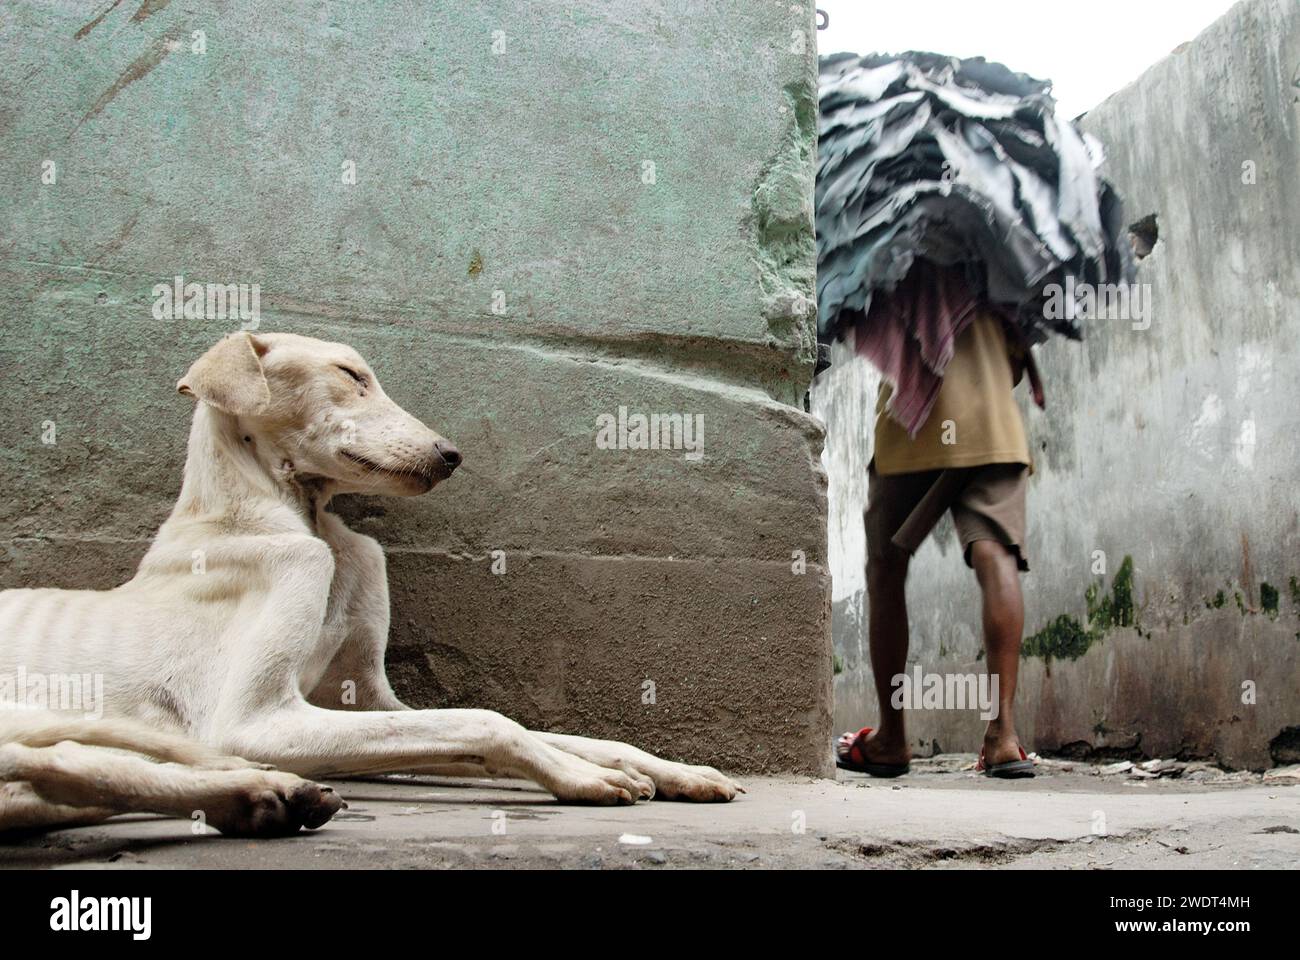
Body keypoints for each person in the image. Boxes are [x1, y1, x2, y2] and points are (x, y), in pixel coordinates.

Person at [835, 270, 1044, 779]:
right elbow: (1019, 354)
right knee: (996, 556)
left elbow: (873, 337)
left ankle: (891, 738)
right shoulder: (999, 250)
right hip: (991, 422)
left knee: (886, 570)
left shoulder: (892, 249)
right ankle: (1003, 736)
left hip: (913, 425)